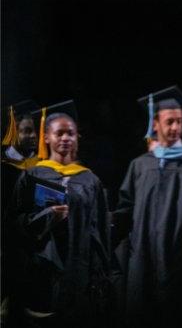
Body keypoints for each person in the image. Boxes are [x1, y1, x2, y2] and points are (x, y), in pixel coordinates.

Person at [10, 100, 111, 327]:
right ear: (46, 137)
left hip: (80, 272)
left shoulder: (90, 180)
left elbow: (100, 232)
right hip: (42, 272)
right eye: (59, 133)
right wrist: (47, 217)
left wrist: (100, 278)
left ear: (77, 138)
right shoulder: (32, 176)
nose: (65, 138)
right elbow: (13, 224)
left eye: (71, 134)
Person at [111, 86, 182, 328]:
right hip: (143, 257)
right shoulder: (140, 166)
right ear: (155, 124)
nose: (175, 127)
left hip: (179, 255)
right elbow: (125, 209)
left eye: (179, 122)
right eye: (169, 121)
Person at [1, 100, 41, 325]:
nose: (33, 136)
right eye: (26, 131)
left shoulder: (39, 163)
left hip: (30, 238)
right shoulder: (4, 164)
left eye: (34, 131)